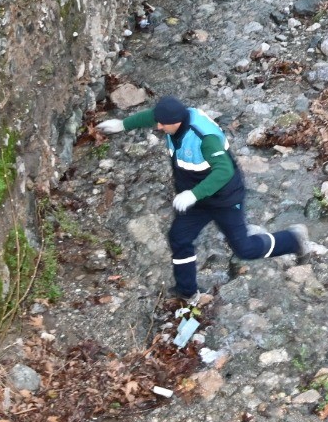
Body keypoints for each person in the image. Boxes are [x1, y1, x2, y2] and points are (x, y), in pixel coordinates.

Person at [96, 96, 311, 299]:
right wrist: (122, 124)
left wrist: (193, 194)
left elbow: (224, 171)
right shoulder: (173, 117)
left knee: (244, 249)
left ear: (177, 121)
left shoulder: (204, 139)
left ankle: (293, 239)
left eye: (162, 124)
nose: (158, 127)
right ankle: (187, 292)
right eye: (159, 122)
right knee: (179, 238)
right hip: (196, 199)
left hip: (223, 198)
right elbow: (151, 116)